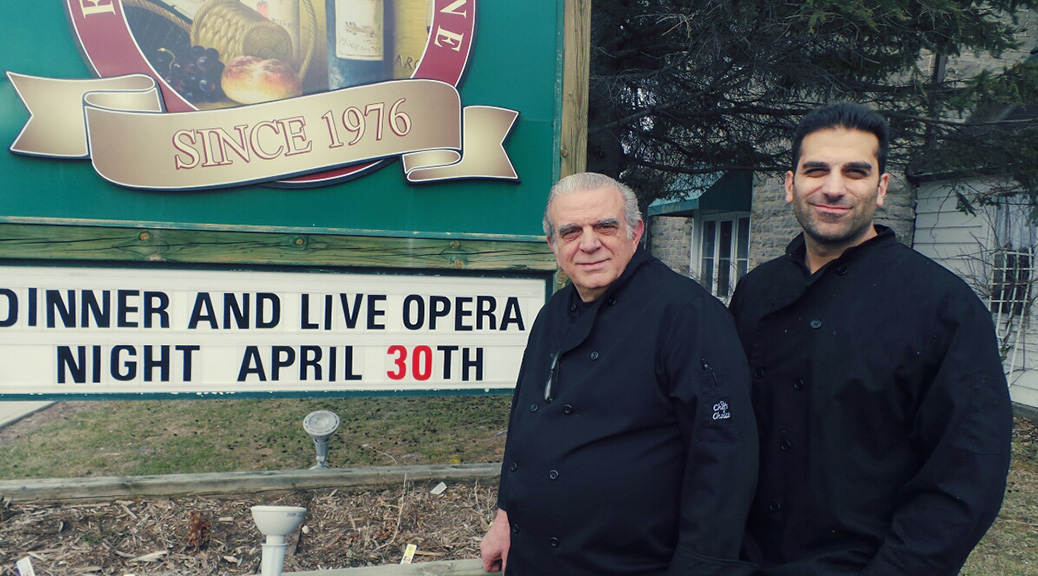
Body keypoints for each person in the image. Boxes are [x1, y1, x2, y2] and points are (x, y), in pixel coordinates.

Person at [728, 102, 1012, 575]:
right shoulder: (757, 290)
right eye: (816, 169)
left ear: (881, 188)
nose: (833, 188)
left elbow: (967, 473)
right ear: (789, 184)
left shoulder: (943, 307)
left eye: (855, 172)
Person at [480, 172, 758, 576]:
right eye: (571, 231)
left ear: (636, 231)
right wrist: (506, 516)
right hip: (535, 560)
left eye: (605, 226)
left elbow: (725, 459)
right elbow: (526, 420)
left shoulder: (687, 315)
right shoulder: (551, 314)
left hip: (634, 564)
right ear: (553, 245)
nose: (589, 243)